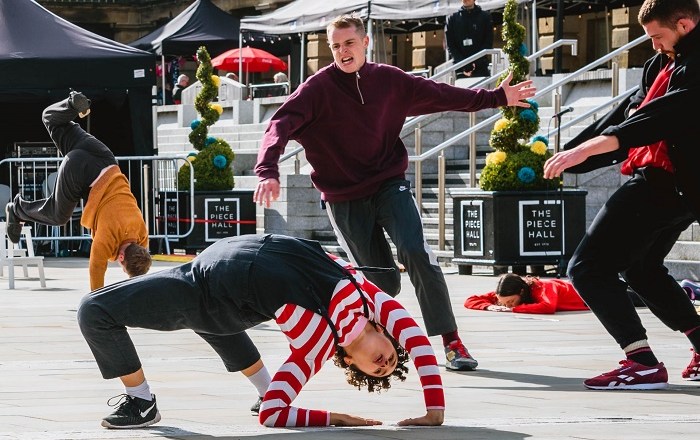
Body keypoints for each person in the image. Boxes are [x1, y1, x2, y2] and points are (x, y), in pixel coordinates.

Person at [254, 13, 536, 372]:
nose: (343, 52)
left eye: (349, 43)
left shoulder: (390, 81)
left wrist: (496, 97)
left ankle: (451, 342)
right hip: (344, 198)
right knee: (382, 281)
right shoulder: (316, 90)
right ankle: (374, 337)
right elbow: (278, 124)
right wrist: (267, 169)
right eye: (336, 46)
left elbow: (443, 94)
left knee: (417, 251)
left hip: (388, 184)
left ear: (365, 42)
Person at [78, 234, 445, 428]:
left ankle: (141, 402)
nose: (383, 364)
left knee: (94, 310)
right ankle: (261, 384)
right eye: (392, 358)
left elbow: (273, 414)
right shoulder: (370, 298)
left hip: (204, 293)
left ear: (350, 361)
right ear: (385, 332)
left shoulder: (315, 348)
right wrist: (434, 412)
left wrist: (336, 417)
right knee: (217, 324)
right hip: (208, 270)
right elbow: (421, 346)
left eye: (376, 371)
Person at [543, 0, 700, 389]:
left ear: (684, 23)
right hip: (670, 185)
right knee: (641, 267)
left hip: (670, 183)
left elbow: (665, 114)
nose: (654, 45)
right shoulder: (659, 63)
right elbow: (629, 113)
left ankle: (641, 361)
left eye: (658, 36)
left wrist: (592, 148)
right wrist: (573, 153)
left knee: (586, 267)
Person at [4, 91, 151, 291]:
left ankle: (71, 105)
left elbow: (142, 255)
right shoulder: (108, 238)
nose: (118, 262)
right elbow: (96, 268)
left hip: (104, 157)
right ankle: (17, 210)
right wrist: (95, 302)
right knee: (58, 216)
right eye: (121, 265)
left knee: (51, 120)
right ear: (122, 257)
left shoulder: (141, 233)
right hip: (82, 173)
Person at [464, 273, 589, 314]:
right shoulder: (505, 294)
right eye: (503, 303)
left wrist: (514, 308)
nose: (506, 305)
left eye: (510, 302)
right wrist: (489, 306)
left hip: (590, 295)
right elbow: (470, 300)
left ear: (521, 292)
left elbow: (548, 307)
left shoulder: (545, 286)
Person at [445, 0, 494, 78]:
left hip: (481, 67)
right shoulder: (452, 19)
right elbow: (450, 45)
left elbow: (488, 42)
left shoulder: (485, 17)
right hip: (460, 69)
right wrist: (464, 64)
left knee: (481, 89)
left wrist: (476, 62)